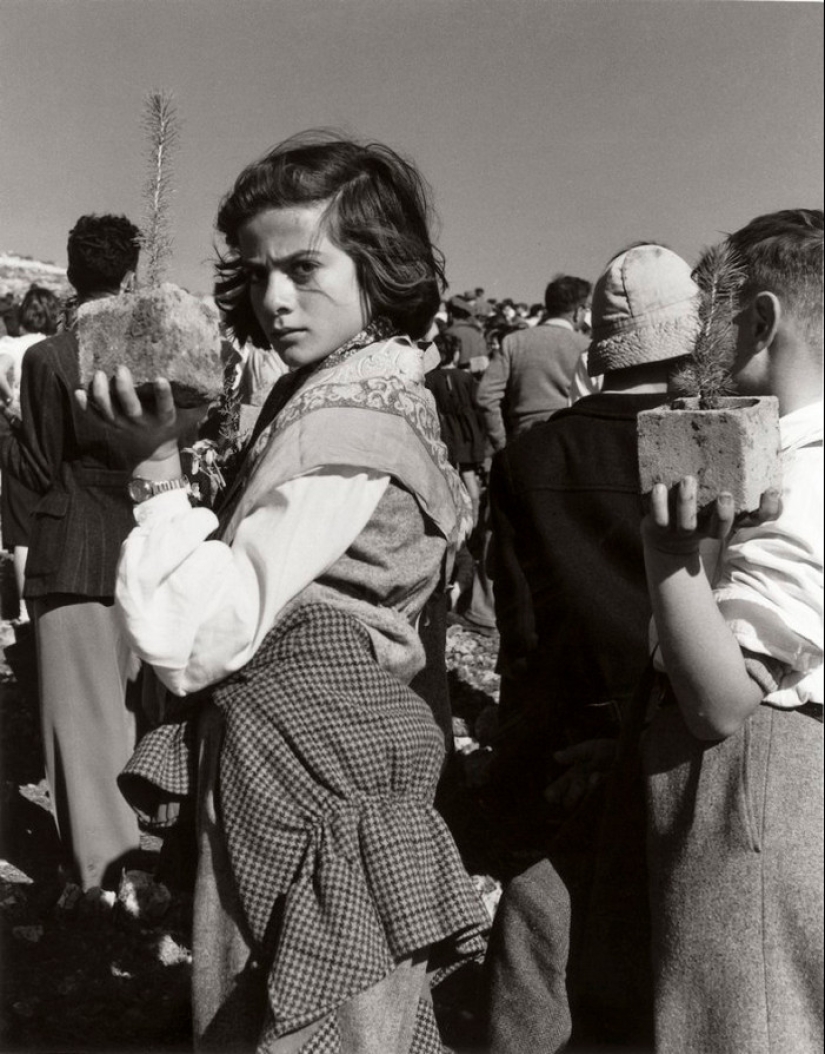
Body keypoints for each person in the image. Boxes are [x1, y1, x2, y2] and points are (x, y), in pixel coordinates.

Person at [85, 133, 488, 1054]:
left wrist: (154, 476)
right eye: (259, 272)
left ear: (380, 267)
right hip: (318, 748)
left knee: (314, 1012)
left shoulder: (347, 421)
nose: (274, 298)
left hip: (308, 773)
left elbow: (206, 634)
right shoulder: (352, 387)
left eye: (305, 268)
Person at [484, 244, 702, 1053]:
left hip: (564, 723)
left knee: (543, 939)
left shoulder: (530, 457)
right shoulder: (701, 446)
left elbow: (519, 620)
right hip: (676, 722)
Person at [642, 209, 823, 1053]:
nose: (690, 347)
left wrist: (668, 550)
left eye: (707, 320)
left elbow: (720, 701)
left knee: (742, 1020)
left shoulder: (803, 473)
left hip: (753, 809)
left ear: (757, 320)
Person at [0, 215, 145, 893]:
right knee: (127, 708)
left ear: (70, 268)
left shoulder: (48, 358)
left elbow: (34, 467)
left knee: (77, 723)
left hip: (69, 543)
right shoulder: (154, 355)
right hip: (145, 541)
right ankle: (132, 865)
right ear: (130, 273)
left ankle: (95, 875)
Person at [0, 285, 61, 619]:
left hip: (21, 438)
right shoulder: (52, 347)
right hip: (52, 440)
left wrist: (10, 405)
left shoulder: (13, 345)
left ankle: (25, 611)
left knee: (22, 531)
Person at [476, 275, 591, 451]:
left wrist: (501, 444)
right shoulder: (586, 346)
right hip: (574, 443)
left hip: (524, 441)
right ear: (578, 311)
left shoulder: (513, 342)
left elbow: (485, 396)